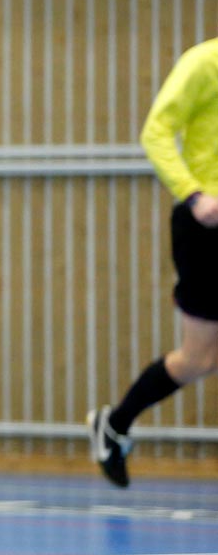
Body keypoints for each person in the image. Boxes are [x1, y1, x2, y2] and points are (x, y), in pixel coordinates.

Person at [89, 38, 218, 487]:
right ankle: (116, 423)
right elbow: (156, 131)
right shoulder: (203, 64)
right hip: (207, 226)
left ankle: (115, 424)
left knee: (204, 358)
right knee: (199, 358)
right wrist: (194, 194)